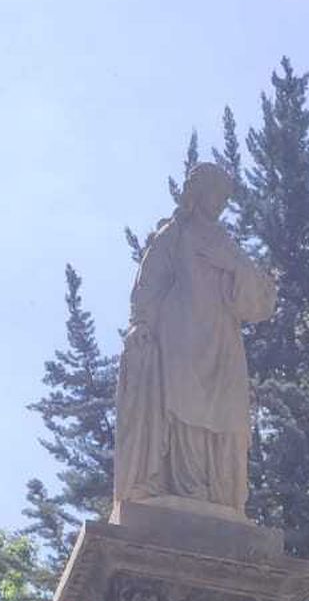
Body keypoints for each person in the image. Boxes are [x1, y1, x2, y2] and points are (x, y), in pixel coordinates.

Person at [113, 162, 278, 516]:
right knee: (184, 409)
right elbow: (149, 283)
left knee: (226, 418)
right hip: (181, 339)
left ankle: (217, 493)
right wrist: (141, 323)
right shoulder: (175, 234)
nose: (219, 202)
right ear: (197, 193)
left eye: (224, 196)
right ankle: (187, 487)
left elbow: (260, 304)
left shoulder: (227, 245)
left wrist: (233, 266)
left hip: (222, 345)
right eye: (214, 193)